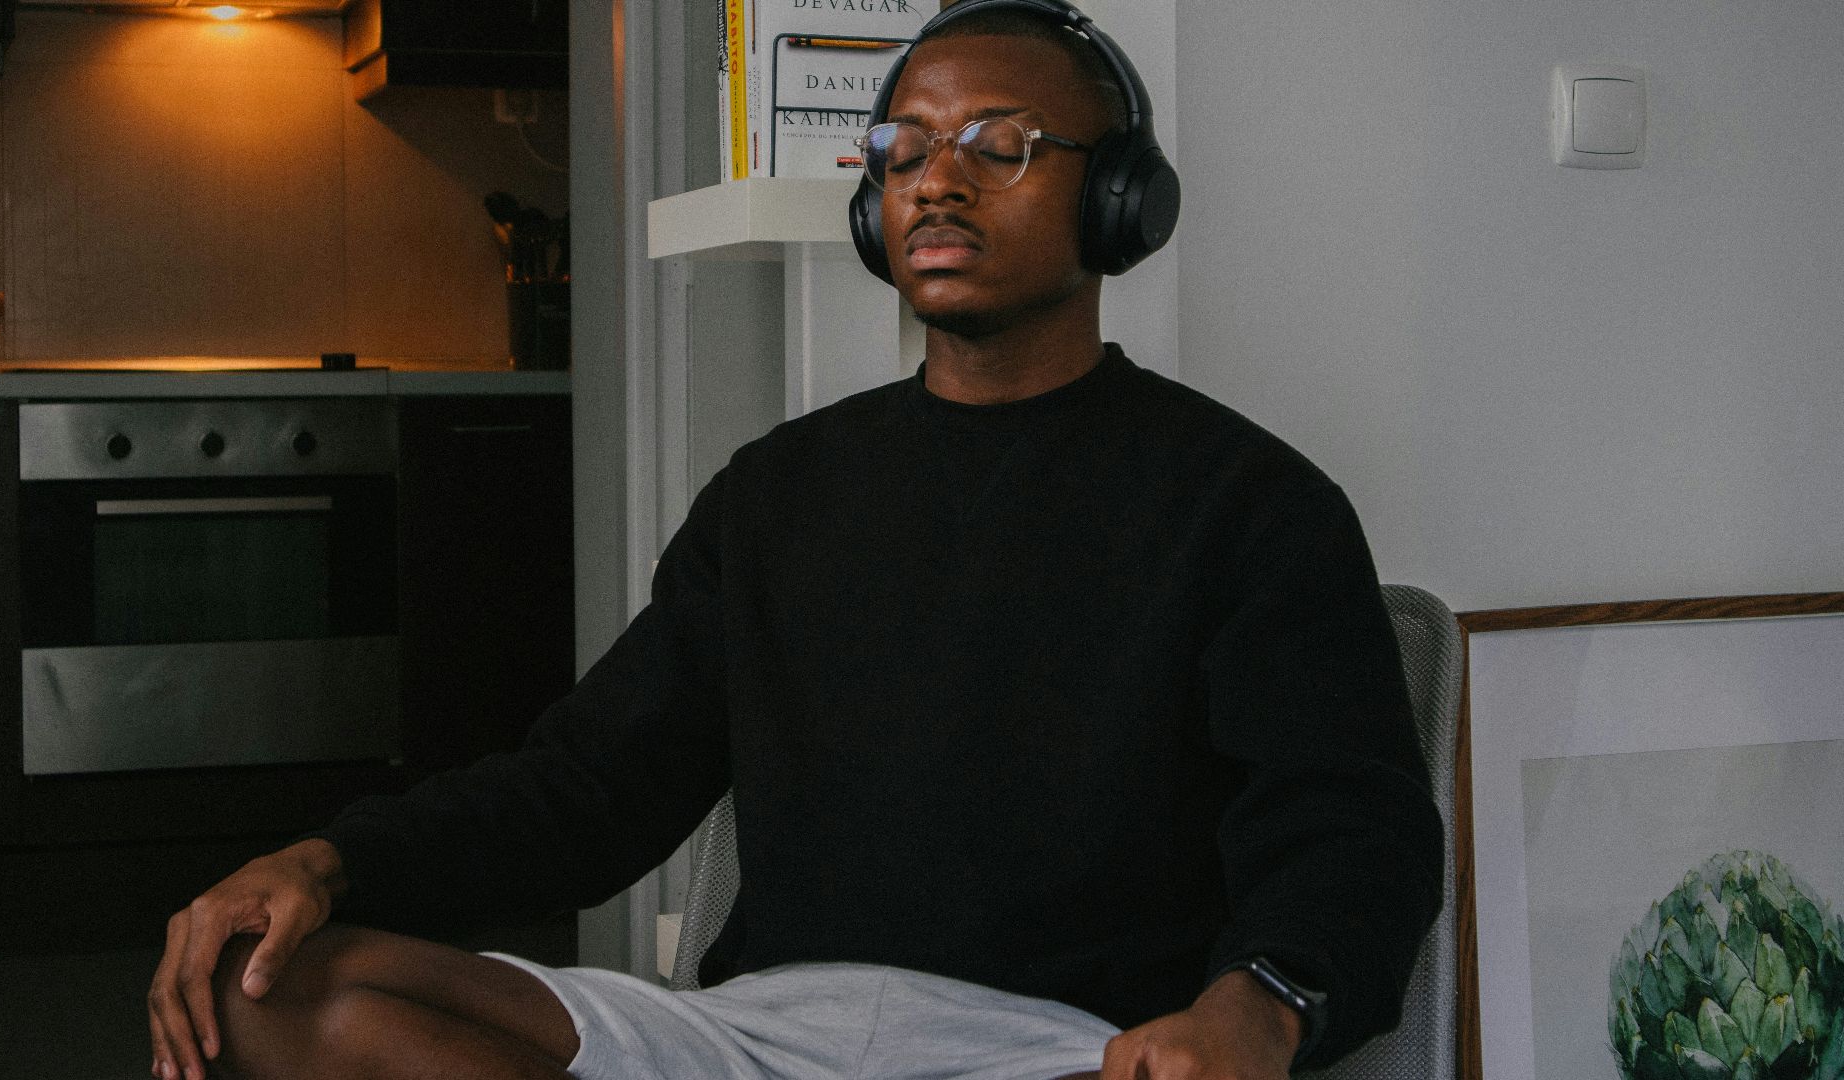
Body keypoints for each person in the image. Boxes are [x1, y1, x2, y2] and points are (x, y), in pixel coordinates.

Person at [147, 4, 1443, 1079]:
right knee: (266, 991)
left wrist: (1263, 1000)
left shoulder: (1247, 503)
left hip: (1055, 1053)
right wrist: (324, 860)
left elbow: (1353, 830)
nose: (937, 178)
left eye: (1000, 143)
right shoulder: (778, 494)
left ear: (1118, 199)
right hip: (762, 1036)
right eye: (904, 145)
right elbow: (587, 791)